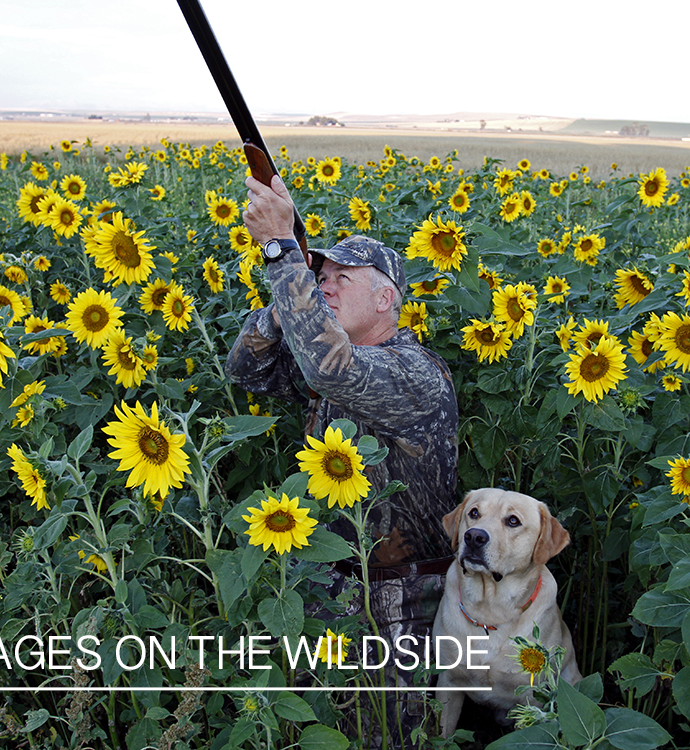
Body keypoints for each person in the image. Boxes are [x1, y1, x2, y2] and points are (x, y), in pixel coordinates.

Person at [224, 174, 459, 741]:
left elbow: (328, 368)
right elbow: (244, 370)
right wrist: (288, 301)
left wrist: (283, 254)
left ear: (386, 299)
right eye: (319, 277)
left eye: (341, 279)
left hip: (401, 610)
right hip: (331, 593)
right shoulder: (336, 360)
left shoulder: (412, 373)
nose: (325, 285)